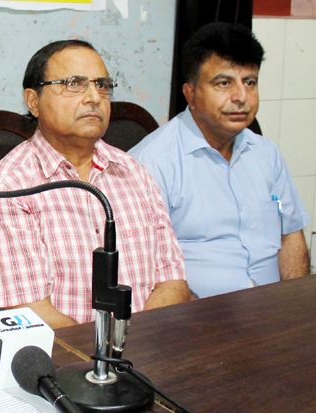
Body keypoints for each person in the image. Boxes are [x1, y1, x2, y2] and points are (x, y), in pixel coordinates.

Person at [0, 40, 190, 329]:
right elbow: (27, 310)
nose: (94, 97)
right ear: (33, 101)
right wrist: (106, 351)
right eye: (74, 84)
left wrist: (136, 344)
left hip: (150, 342)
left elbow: (172, 280)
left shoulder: (133, 172)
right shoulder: (9, 185)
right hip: (68, 353)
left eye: (102, 85)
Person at [129, 23, 310, 298]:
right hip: (198, 314)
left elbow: (290, 235)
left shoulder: (266, 153)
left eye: (250, 82)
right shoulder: (151, 163)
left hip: (273, 308)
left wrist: (293, 304)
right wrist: (198, 318)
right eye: (224, 83)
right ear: (190, 94)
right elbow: (142, 267)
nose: (241, 97)